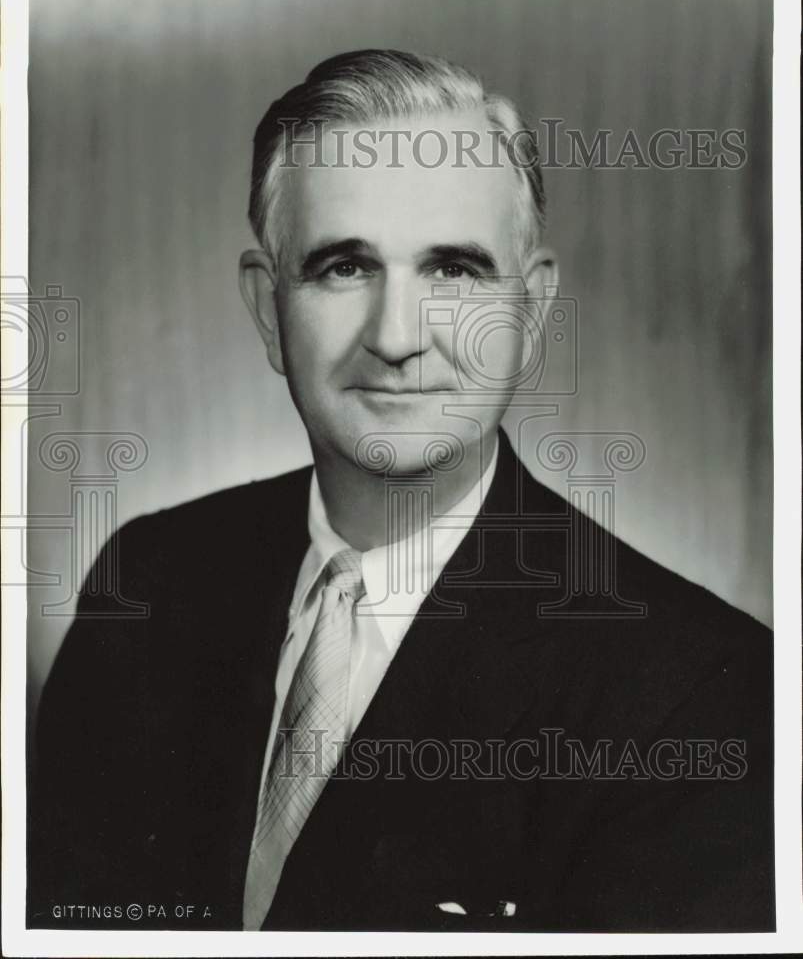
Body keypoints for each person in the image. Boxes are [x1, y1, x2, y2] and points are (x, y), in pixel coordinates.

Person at [28, 49, 773, 933]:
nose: (395, 336)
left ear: (530, 316)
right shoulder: (149, 579)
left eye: (453, 271)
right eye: (344, 266)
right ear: (269, 311)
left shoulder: (702, 692)